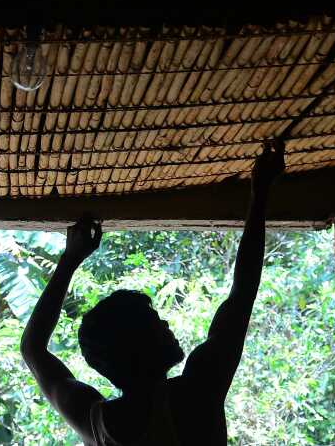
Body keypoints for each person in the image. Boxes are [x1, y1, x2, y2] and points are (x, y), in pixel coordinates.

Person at [20, 141, 286, 445]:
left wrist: (69, 260)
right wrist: (260, 192)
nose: (166, 325)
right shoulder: (196, 394)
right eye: (154, 323)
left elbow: (32, 349)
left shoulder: (99, 425)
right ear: (139, 346)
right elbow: (242, 294)